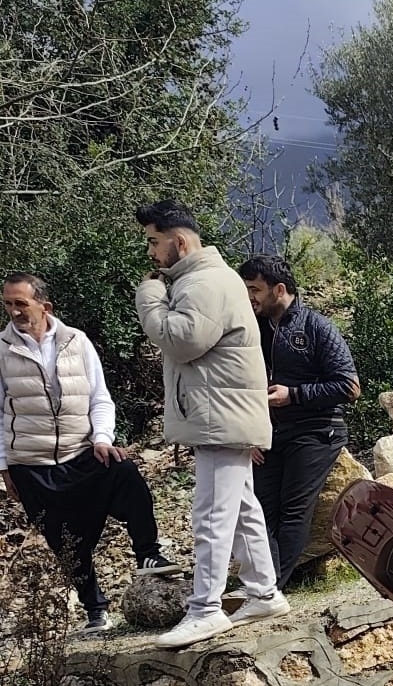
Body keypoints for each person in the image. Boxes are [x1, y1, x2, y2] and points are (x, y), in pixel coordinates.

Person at [134, 199, 288, 649]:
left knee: (211, 513)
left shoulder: (203, 282)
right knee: (239, 507)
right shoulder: (210, 279)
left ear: (179, 242)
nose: (150, 253)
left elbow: (183, 341)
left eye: (154, 242)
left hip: (219, 415)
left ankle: (205, 609)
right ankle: (263, 591)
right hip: (221, 412)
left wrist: (148, 297)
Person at [0, 273, 178, 633]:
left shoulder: (75, 342)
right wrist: (3, 466)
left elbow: (99, 396)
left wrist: (102, 438)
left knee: (126, 475)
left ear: (44, 306)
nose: (14, 310)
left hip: (81, 451)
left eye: (21, 303)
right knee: (64, 542)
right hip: (31, 464)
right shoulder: (1, 349)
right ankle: (95, 611)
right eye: (8, 303)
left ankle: (148, 552)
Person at [237, 255, 360, 590]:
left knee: (293, 510)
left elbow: (349, 387)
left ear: (279, 289)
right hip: (267, 434)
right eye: (245, 289)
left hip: (316, 429)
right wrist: (249, 434)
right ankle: (263, 586)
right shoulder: (252, 331)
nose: (249, 297)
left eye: (255, 289)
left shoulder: (316, 327)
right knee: (260, 512)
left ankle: (269, 588)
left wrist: (294, 395)